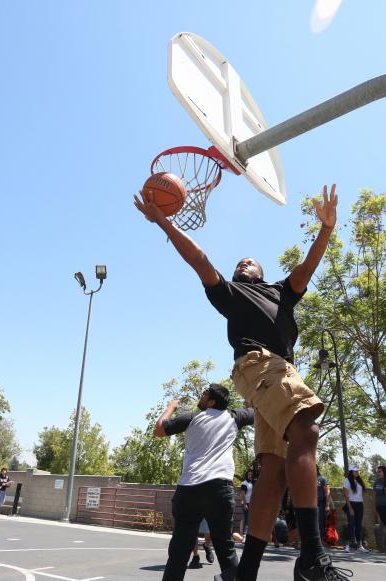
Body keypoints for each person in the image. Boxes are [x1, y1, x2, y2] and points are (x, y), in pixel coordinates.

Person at [135, 185, 347, 581]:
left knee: (275, 469)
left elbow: (306, 269)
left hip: (274, 371)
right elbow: (198, 258)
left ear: (261, 273)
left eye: (249, 261)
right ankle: (313, 557)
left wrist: (326, 230)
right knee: (307, 429)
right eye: (240, 262)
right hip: (259, 364)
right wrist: (163, 220)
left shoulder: (281, 291)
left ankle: (244, 572)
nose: (243, 262)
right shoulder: (231, 293)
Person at [153, 385, 254, 581]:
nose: (201, 395)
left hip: (190, 489)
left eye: (205, 394)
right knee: (226, 549)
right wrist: (250, 401)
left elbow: (159, 429)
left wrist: (171, 407)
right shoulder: (235, 417)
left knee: (179, 551)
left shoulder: (192, 418)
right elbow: (255, 412)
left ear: (212, 401)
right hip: (219, 489)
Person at [341, 468, 367, 553]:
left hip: (360, 504)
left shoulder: (359, 480)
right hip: (351, 504)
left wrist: (361, 500)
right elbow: (345, 495)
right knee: (351, 524)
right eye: (355, 471)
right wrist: (350, 507)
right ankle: (347, 545)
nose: (357, 472)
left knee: (359, 525)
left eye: (357, 471)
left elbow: (362, 492)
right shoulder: (347, 480)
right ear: (351, 472)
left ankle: (359, 545)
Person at [316, 467, 331, 542]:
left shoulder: (322, 479)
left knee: (320, 522)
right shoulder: (308, 478)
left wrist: (327, 505)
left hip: (320, 503)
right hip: (311, 504)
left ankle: (320, 540)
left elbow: (327, 492)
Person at [239, 469, 254, 536]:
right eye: (249, 474)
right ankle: (244, 535)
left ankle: (246, 534)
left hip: (251, 503)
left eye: (251, 474)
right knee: (246, 519)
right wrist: (245, 504)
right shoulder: (244, 483)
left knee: (249, 519)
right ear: (247, 475)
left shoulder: (252, 483)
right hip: (246, 503)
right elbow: (242, 494)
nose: (250, 476)